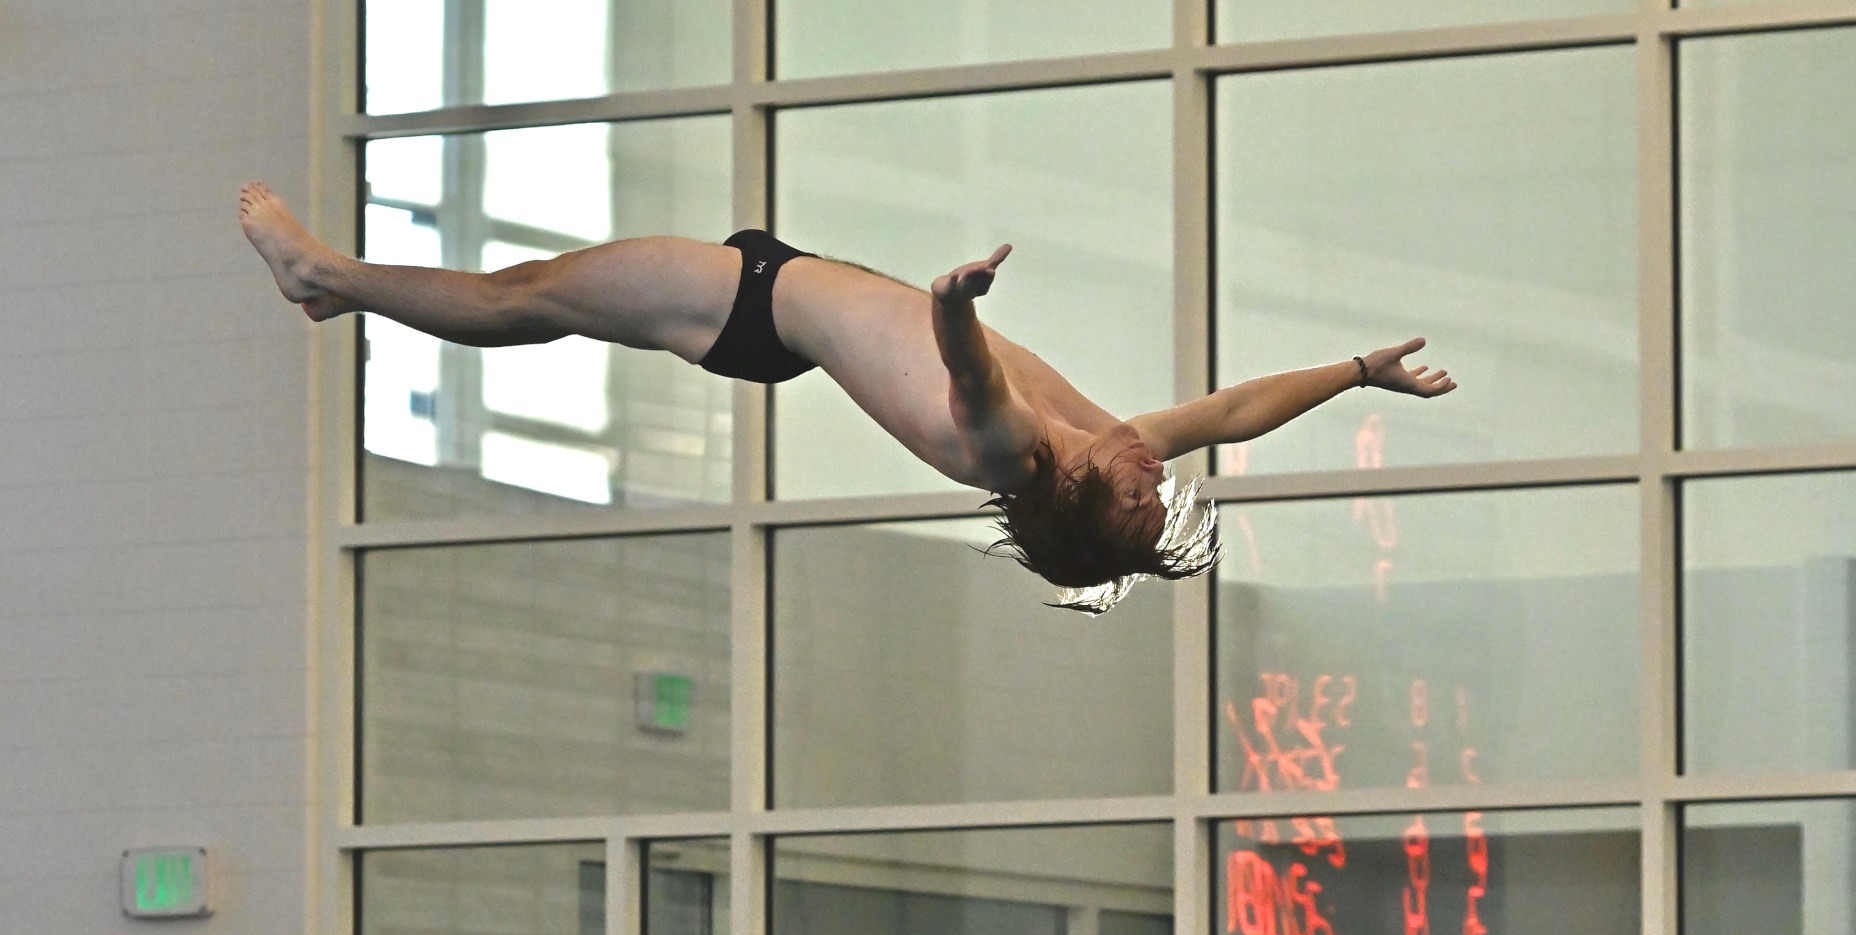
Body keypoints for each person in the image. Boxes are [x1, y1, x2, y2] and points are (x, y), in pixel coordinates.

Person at [239, 181, 1455, 613]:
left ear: (1084, 497)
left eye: (1142, 497)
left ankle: (320, 272)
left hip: (750, 309)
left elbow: (967, 373)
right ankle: (347, 294)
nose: (1155, 473)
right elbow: (1235, 413)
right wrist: (1358, 373)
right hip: (790, 285)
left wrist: (957, 302)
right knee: (535, 300)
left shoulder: (1013, 450)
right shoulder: (1103, 443)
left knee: (529, 297)